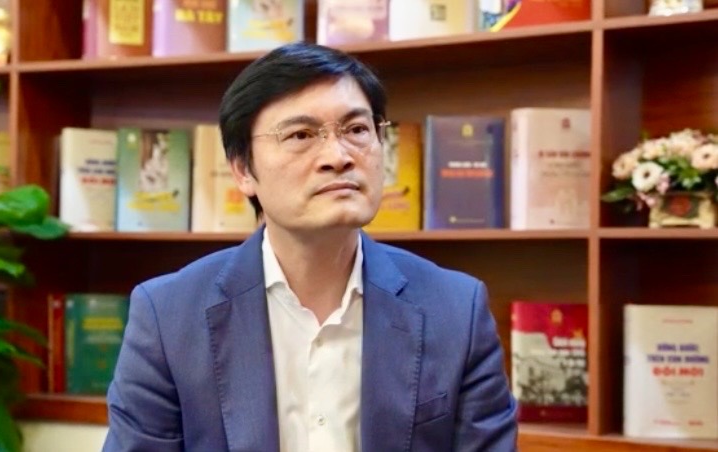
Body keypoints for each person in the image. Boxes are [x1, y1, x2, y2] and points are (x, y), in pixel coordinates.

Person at [103, 41, 518, 451]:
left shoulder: (457, 310)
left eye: (357, 130)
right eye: (301, 134)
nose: (338, 156)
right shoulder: (168, 316)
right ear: (243, 170)